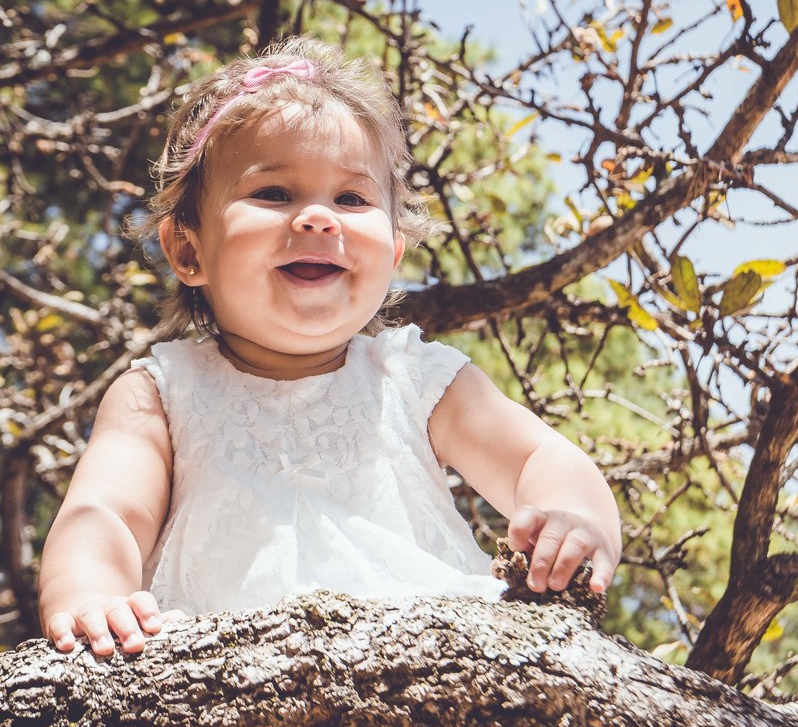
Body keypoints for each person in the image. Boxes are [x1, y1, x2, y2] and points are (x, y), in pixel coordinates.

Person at [37, 37, 622, 657]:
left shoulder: (417, 378)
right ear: (188, 249)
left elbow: (538, 460)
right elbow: (107, 514)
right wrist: (90, 590)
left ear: (394, 253)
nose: (319, 218)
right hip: (227, 683)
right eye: (273, 193)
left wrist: (572, 520)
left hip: (437, 663)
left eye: (351, 198)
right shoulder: (160, 393)